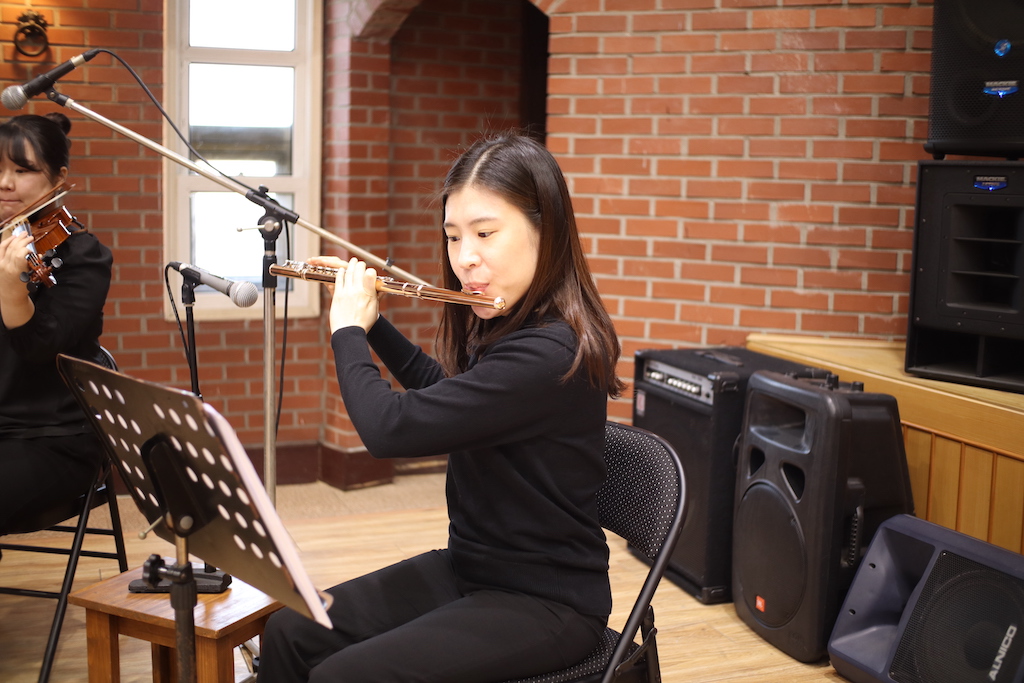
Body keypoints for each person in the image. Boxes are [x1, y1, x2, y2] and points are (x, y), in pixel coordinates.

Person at [258, 133, 625, 683]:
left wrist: (347, 332)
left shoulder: (550, 351)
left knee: (345, 676)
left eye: (485, 233)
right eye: (453, 237)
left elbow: (389, 430)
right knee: (289, 631)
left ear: (545, 230)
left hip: (546, 600)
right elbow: (448, 395)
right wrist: (374, 323)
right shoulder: (508, 324)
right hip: (471, 567)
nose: (464, 258)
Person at [0, 112, 113, 535]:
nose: (5, 183)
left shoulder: (82, 256)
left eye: (22, 170)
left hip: (52, 437)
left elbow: (39, 348)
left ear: (58, 178)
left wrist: (11, 289)